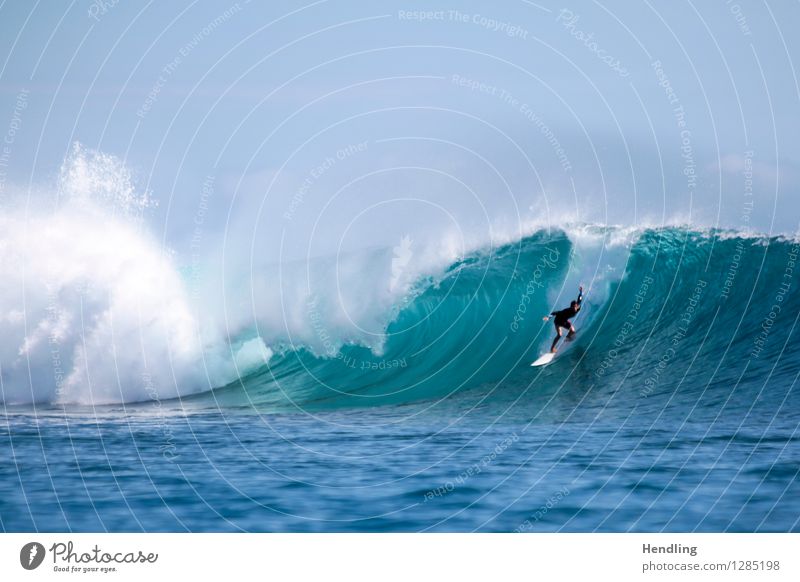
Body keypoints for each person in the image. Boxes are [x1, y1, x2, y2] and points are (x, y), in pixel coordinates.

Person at [542, 286, 583, 353]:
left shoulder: (578, 306)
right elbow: (555, 312)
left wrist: (581, 291)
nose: (575, 308)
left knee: (572, 331)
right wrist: (548, 317)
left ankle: (567, 338)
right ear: (571, 307)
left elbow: (580, 298)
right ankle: (552, 349)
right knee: (559, 335)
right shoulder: (567, 310)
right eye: (573, 307)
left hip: (564, 321)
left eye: (575, 307)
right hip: (558, 321)